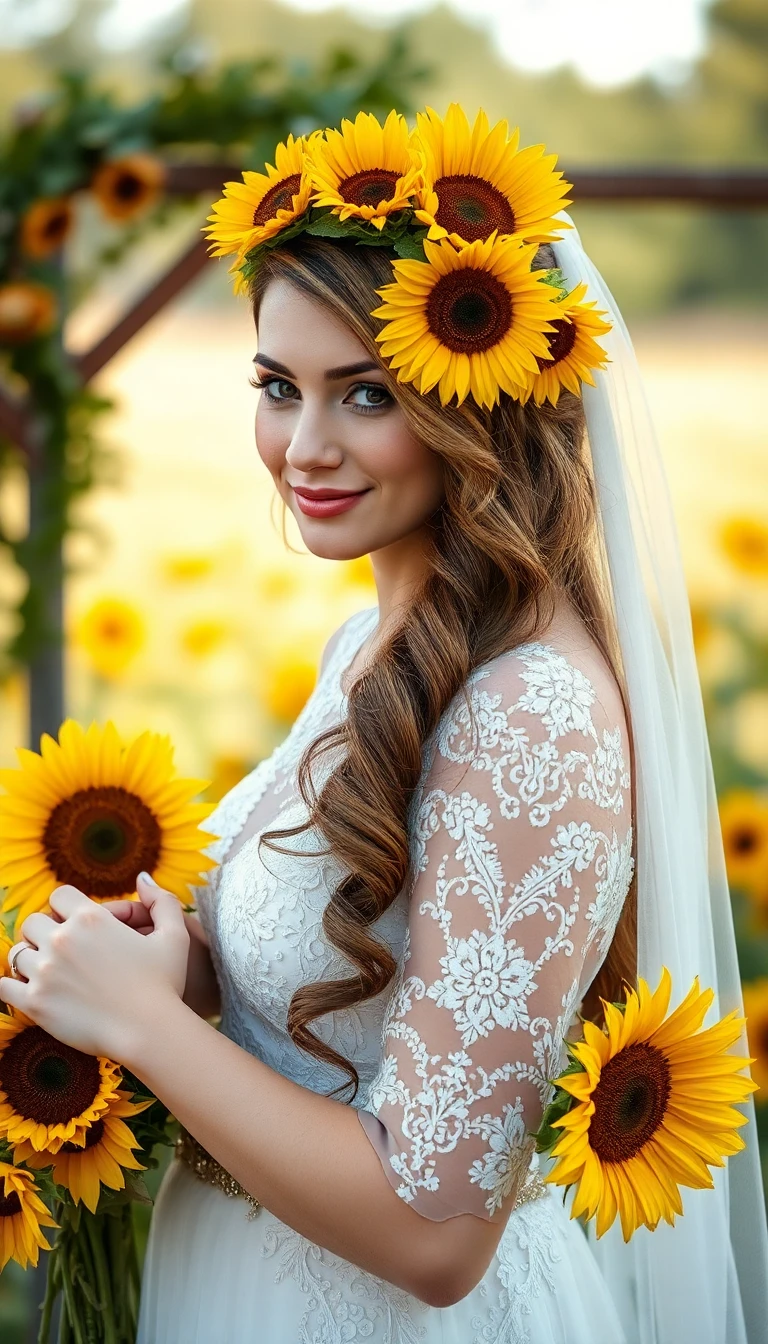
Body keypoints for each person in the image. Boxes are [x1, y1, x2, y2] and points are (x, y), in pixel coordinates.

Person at [2, 106, 765, 1344]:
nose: (302, 448)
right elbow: (353, 992)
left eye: (365, 393)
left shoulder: (532, 718)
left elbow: (436, 1234)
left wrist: (138, 1025)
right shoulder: (370, 646)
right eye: (275, 386)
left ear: (484, 390)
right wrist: (180, 964)